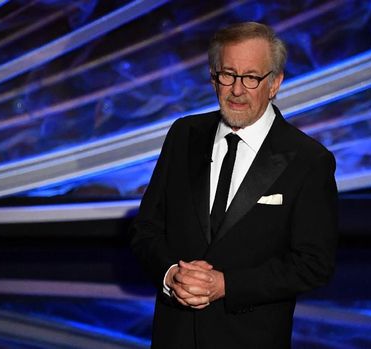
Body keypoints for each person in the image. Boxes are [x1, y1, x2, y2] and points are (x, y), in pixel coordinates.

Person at [131, 22, 338, 349]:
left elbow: (314, 263)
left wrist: (227, 284)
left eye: (251, 78)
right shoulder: (184, 135)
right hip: (175, 337)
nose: (237, 90)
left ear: (274, 83)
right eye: (227, 74)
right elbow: (147, 230)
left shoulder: (308, 160)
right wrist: (171, 274)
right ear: (214, 77)